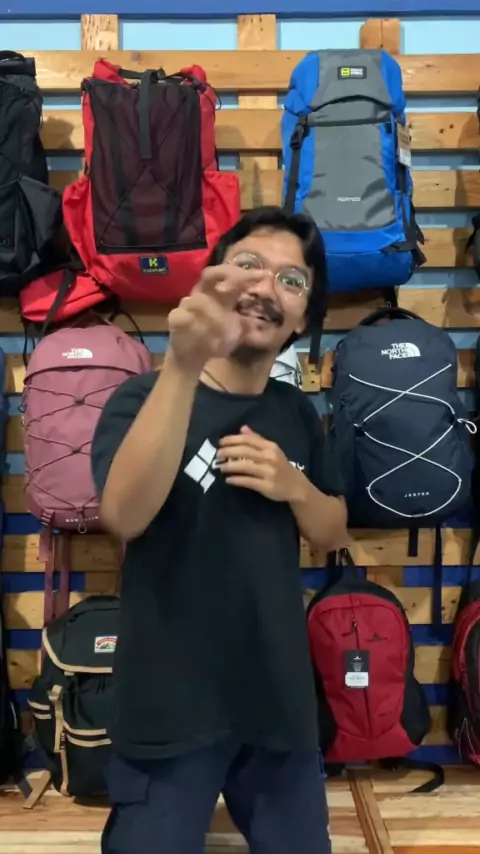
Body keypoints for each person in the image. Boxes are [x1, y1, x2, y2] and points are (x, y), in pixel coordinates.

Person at [92, 206, 348, 854]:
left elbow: (332, 530)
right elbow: (124, 517)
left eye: (292, 280)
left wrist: (295, 487)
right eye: (249, 265)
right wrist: (183, 365)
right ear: (212, 282)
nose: (265, 288)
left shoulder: (298, 413)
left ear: (303, 318)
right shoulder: (140, 399)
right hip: (168, 703)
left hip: (277, 702)